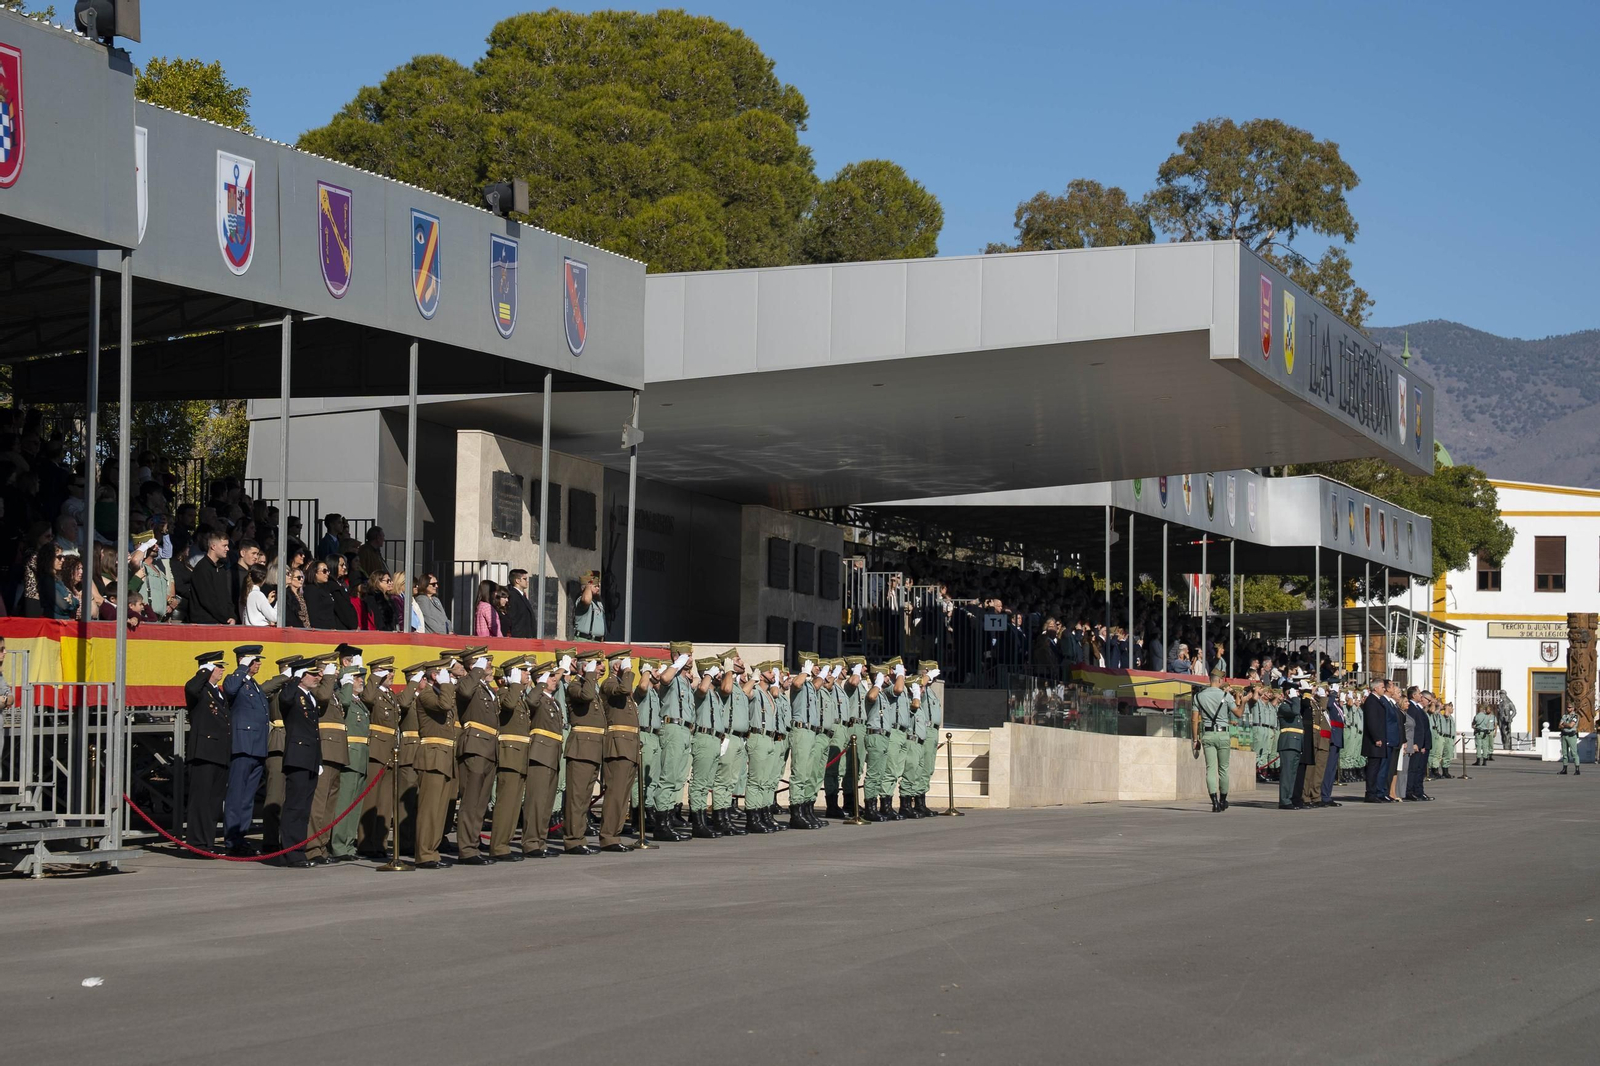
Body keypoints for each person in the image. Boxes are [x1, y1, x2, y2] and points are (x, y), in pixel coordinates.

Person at [450, 647, 498, 866]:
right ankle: (466, 849)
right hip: (474, 745)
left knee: (481, 802)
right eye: (484, 661)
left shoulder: (487, 688)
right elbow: (465, 692)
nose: (489, 663)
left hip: (489, 747)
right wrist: (476, 670)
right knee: (470, 801)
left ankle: (473, 844)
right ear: (472, 665)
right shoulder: (465, 684)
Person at [221, 645, 269, 857]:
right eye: (255, 660)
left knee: (248, 798)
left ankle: (241, 837)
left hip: (257, 746)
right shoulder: (237, 680)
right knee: (236, 796)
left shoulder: (253, 684)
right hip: (243, 745)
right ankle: (232, 841)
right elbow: (229, 689)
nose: (258, 664)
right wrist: (241, 667)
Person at [413, 656, 461, 869]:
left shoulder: (441, 692)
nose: (449, 677)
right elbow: (444, 705)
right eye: (445, 673)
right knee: (429, 809)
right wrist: (447, 685)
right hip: (432, 756)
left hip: (444, 756)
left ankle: (432, 851)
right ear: (435, 675)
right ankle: (424, 854)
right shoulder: (426, 694)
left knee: (440, 810)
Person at [596, 648, 644, 852]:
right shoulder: (610, 684)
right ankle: (608, 837)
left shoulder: (621, 685)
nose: (630, 668)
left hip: (628, 745)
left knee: (623, 795)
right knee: (615, 794)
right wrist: (626, 671)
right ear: (617, 666)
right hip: (617, 746)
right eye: (627, 664)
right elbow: (624, 690)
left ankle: (614, 835)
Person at [302, 655, 348, 866]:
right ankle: (312, 847)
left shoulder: (335, 693)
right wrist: (327, 678)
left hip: (337, 750)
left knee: (330, 804)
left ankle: (322, 844)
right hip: (325, 749)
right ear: (322, 672)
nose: (337, 672)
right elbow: (321, 697)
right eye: (333, 668)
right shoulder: (317, 688)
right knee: (319, 805)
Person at [519, 657, 567, 857]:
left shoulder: (553, 701)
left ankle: (540, 841)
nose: (555, 679)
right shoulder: (536, 697)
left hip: (552, 753)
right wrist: (539, 683)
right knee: (536, 801)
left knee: (546, 802)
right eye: (550, 676)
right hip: (540, 754)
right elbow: (530, 701)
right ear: (540, 679)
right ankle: (530, 843)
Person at [277, 658, 323, 868]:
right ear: (302, 675)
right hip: (298, 755)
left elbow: (314, 731)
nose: (318, 677)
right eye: (313, 674)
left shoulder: (309, 697)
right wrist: (294, 678)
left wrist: (318, 759)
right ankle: (290, 851)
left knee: (304, 808)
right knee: (294, 807)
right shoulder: (292, 692)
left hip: (310, 757)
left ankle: (299, 849)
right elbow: (284, 700)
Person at [184, 651, 232, 850]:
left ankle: (207, 842)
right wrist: (203, 670)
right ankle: (197, 843)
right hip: (203, 752)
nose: (221, 670)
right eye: (218, 666)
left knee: (213, 803)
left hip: (220, 752)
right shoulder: (200, 689)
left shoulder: (217, 691)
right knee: (201, 801)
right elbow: (191, 688)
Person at [488, 656, 533, 862]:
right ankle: (498, 846)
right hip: (509, 754)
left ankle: (503, 844)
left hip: (520, 755)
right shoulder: (506, 693)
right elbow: (508, 706)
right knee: (506, 804)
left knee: (515, 805)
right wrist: (514, 683)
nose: (527, 674)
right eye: (523, 671)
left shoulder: (518, 695)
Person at [652, 643, 695, 839]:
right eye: (688, 655)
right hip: (672, 727)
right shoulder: (670, 673)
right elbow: (664, 678)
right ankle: (661, 825)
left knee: (677, 779)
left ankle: (669, 820)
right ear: (677, 656)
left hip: (685, 730)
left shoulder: (686, 680)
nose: (691, 658)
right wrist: (678, 662)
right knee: (668, 777)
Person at [562, 652, 604, 854]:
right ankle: (573, 840)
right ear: (584, 667)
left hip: (593, 747)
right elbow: (585, 696)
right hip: (581, 747)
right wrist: (588, 675)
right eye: (596, 665)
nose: (599, 669)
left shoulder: (591, 686)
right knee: (576, 798)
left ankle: (579, 838)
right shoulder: (575, 686)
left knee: (585, 798)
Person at [329, 665, 371, 861]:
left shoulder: (359, 702)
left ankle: (348, 844)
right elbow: (343, 703)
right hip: (351, 757)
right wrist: (344, 686)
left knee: (355, 804)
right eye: (356, 678)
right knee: (344, 803)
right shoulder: (342, 698)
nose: (361, 680)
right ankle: (338, 845)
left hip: (361, 756)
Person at [1192, 673, 1238, 812]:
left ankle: (1215, 802)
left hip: (1208, 734)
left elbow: (1194, 719)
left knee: (1210, 769)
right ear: (1219, 680)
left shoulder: (1198, 696)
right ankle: (1223, 800)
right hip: (1223, 734)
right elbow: (1238, 712)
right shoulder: (1226, 696)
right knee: (1223, 769)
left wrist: (1195, 739)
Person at [186, 532, 235, 625]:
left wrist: (232, 616)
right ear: (213, 546)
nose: (227, 549)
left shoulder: (221, 569)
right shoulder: (202, 569)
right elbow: (207, 600)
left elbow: (226, 596)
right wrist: (225, 618)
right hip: (205, 623)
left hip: (221, 622)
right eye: (224, 546)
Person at [1362, 679, 1394, 802]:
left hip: (1380, 739)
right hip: (1374, 741)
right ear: (1375, 688)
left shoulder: (1377, 700)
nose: (1384, 689)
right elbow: (1372, 721)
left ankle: (1374, 792)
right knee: (1373, 768)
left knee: (1377, 768)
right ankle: (1370, 793)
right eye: (1381, 687)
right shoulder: (1371, 701)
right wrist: (1376, 738)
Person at [1276, 681, 1305, 810]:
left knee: (1292, 774)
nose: (1298, 694)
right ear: (1288, 692)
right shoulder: (1284, 706)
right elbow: (1295, 712)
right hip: (1288, 743)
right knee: (1287, 774)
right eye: (1295, 691)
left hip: (1296, 744)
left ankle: (1289, 798)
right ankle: (1284, 800)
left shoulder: (1293, 705)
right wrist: (1293, 698)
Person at [1404, 686, 1432, 800]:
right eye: (1419, 693)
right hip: (1417, 744)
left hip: (1422, 744)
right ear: (1413, 695)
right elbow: (1412, 728)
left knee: (1419, 770)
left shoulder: (1418, 709)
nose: (1421, 696)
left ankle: (1418, 791)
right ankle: (1410, 791)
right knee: (1413, 769)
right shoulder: (1411, 708)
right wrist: (1416, 743)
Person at [1320, 685, 1345, 807]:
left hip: (1337, 738)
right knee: (1328, 769)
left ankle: (1327, 794)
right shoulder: (1329, 702)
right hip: (1332, 738)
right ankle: (1324, 795)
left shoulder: (1337, 704)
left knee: (1331, 770)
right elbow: (1328, 705)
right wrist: (1333, 693)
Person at [573, 570, 606, 639]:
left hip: (597, 642)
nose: (598, 588)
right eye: (596, 586)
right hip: (585, 640)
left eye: (599, 585)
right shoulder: (582, 599)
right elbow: (586, 600)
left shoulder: (598, 602)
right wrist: (589, 585)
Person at [503, 568, 535, 639]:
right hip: (519, 637)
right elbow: (513, 618)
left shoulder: (522, 595)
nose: (527, 581)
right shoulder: (513, 596)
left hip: (526, 636)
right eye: (524, 579)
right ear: (517, 580)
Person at [1558, 707, 1580, 774]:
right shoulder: (1564, 716)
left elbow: (1571, 725)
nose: (1568, 709)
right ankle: (1564, 769)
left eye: (1570, 707)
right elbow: (1559, 726)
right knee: (1564, 753)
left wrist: (1564, 724)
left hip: (1571, 735)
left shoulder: (1575, 716)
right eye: (1567, 707)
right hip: (1564, 735)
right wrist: (1565, 725)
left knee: (1574, 753)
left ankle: (1577, 769)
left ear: (1573, 708)